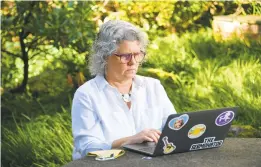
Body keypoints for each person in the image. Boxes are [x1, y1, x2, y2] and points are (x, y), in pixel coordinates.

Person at [71, 20, 176, 160]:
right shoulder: (87, 94)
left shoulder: (153, 87)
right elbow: (87, 147)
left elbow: (174, 129)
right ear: (104, 57)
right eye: (125, 56)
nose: (133, 62)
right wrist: (130, 141)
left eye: (137, 54)